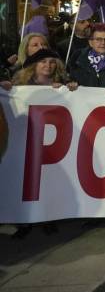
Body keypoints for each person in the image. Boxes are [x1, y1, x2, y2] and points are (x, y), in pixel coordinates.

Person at [8, 48, 68, 237]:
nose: (48, 66)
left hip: (50, 142)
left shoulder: (62, 85)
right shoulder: (20, 85)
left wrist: (70, 89)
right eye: (43, 62)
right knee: (23, 183)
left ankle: (47, 218)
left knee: (47, 182)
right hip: (24, 140)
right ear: (34, 65)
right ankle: (23, 222)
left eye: (52, 62)